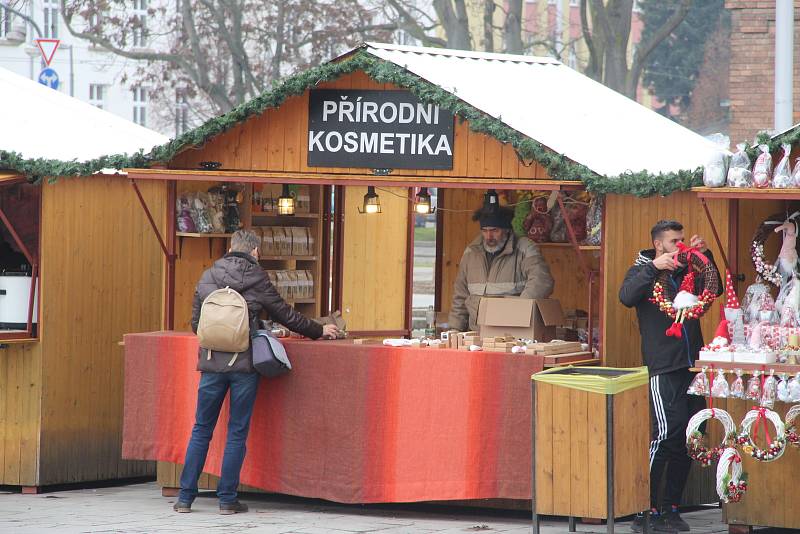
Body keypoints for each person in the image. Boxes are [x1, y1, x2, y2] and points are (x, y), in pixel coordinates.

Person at [173, 229, 339, 515]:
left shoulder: (208, 275)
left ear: (230, 248)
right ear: (255, 252)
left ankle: (185, 498)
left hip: (211, 363)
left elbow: (195, 323)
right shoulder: (257, 277)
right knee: (236, 432)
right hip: (243, 365)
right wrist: (319, 330)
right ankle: (227, 500)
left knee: (201, 429)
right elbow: (284, 314)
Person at [619, 220, 722, 533]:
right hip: (663, 366)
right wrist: (653, 266)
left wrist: (707, 256)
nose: (680, 245)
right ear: (659, 243)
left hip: (692, 367)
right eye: (674, 241)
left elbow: (712, 288)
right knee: (666, 434)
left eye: (682, 240)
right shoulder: (641, 268)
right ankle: (643, 509)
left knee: (691, 436)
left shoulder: (687, 267)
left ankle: (671, 508)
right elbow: (626, 296)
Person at [448, 204, 554, 331]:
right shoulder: (471, 253)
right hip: (477, 334)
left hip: (514, 333)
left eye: (494, 230)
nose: (489, 237)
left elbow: (542, 281)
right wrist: (454, 330)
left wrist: (518, 313)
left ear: (507, 230)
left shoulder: (525, 248)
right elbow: (460, 296)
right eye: (484, 231)